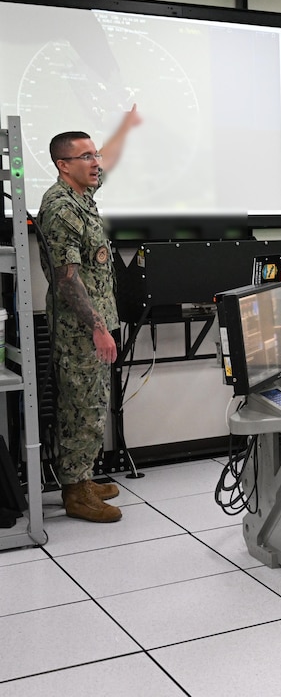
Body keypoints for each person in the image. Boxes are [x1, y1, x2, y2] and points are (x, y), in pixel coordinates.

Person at [37, 105, 141, 524]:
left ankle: (82, 476)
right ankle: (75, 493)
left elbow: (109, 162)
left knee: (94, 403)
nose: (97, 163)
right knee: (80, 405)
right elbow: (67, 279)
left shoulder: (82, 196)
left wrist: (124, 128)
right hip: (79, 329)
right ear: (63, 165)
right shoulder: (60, 207)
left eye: (95, 155)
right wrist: (98, 328)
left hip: (95, 324)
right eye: (87, 157)